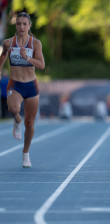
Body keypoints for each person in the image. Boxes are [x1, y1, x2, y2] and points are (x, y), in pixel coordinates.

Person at [0, 12, 45, 167]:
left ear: (29, 26)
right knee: (13, 108)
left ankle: (25, 153)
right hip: (15, 84)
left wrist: (28, 58)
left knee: (30, 124)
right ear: (16, 25)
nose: (21, 26)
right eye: (19, 23)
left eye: (24, 24)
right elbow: (3, 55)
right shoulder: (8, 43)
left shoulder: (35, 44)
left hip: (31, 85)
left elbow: (41, 65)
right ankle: (17, 121)